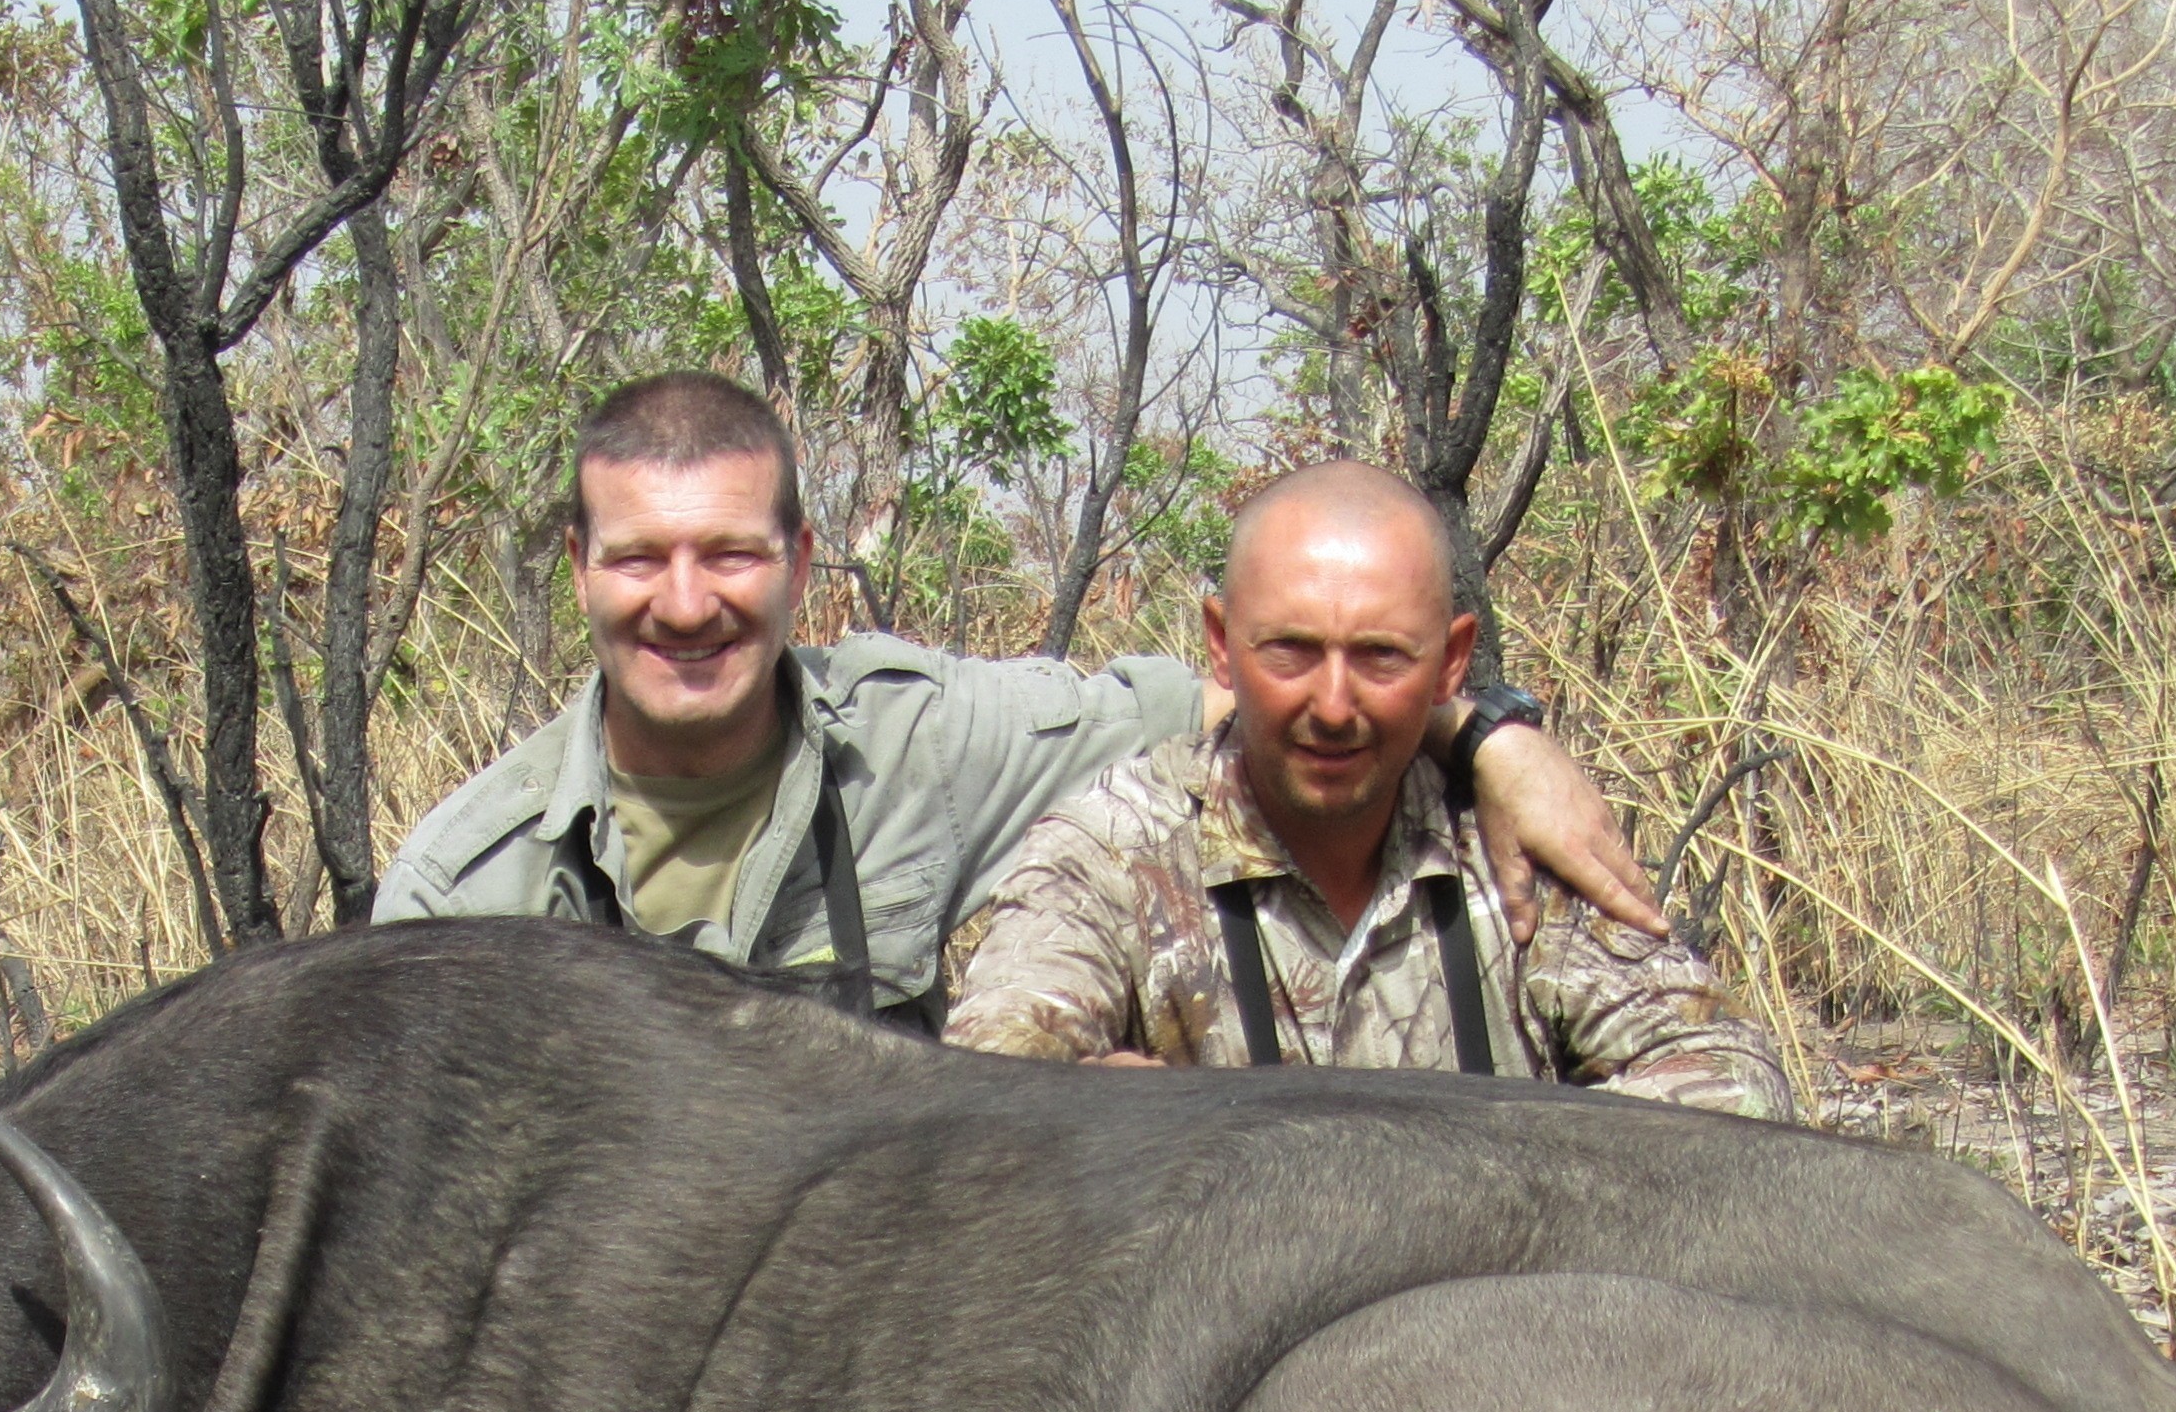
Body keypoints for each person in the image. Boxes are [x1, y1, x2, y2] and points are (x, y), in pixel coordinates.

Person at [371, 375, 1673, 1022]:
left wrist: (1493, 733)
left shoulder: (925, 739)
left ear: (801, 565)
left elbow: (1264, 703)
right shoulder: (457, 882)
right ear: (580, 570)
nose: (687, 602)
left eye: (731, 555)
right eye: (641, 558)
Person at [938, 462, 1793, 1119]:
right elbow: (995, 1096)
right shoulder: (1111, 853)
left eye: (1382, 657)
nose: (1335, 706)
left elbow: (1736, 1084)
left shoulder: (1516, 843)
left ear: (1454, 661)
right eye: (1291, 652)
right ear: (1220, 644)